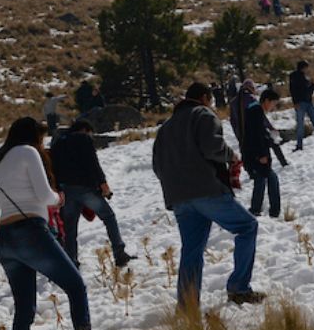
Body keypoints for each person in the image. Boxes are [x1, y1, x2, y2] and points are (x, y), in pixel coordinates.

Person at [0, 117, 95, 330]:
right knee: (75, 285)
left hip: (5, 239)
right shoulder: (28, 152)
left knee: (24, 309)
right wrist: (59, 198)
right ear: (32, 136)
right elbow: (43, 194)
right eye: (41, 138)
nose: (42, 143)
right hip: (31, 231)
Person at [152, 83, 263, 308]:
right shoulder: (203, 114)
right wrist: (231, 156)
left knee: (191, 250)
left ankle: (188, 306)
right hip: (207, 190)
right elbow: (213, 148)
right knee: (247, 227)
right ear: (204, 98)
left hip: (178, 198)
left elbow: (157, 166)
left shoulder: (166, 127)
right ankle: (239, 288)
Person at [53, 120, 134, 268]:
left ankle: (71, 261)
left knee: (70, 229)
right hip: (85, 188)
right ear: (85, 130)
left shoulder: (58, 142)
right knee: (108, 217)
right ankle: (119, 253)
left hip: (66, 190)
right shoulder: (83, 139)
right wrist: (103, 185)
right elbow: (93, 163)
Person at [243, 89, 283, 218]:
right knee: (269, 179)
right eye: (273, 103)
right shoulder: (257, 111)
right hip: (257, 154)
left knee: (263, 180)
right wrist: (261, 155)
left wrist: (269, 136)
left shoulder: (253, 110)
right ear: (266, 101)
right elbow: (255, 135)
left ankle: (257, 209)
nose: (273, 107)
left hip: (252, 153)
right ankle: (271, 210)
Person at [290, 61, 314, 150]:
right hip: (304, 102)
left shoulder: (295, 77)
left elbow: (293, 90)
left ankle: (300, 145)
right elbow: (296, 90)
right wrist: (312, 85)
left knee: (301, 125)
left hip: (303, 102)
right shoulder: (300, 78)